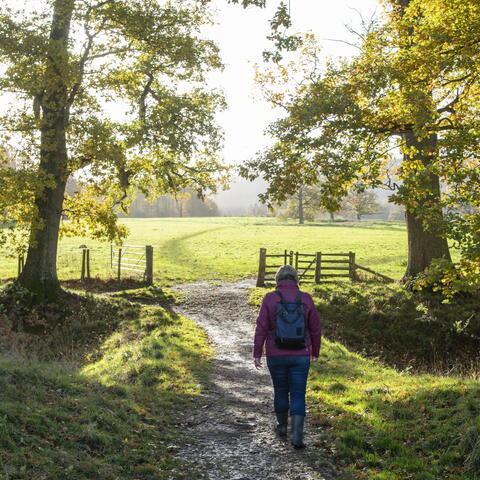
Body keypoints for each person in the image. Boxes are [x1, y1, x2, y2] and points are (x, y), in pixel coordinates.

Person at [253, 265, 321, 448]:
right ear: (296, 279)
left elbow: (261, 328)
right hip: (301, 355)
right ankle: (297, 437)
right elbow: (315, 328)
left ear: (278, 280)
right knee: (298, 393)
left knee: (280, 390)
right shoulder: (306, 298)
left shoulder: (269, 298)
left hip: (276, 354)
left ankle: (282, 427)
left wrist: (257, 352)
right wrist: (315, 352)